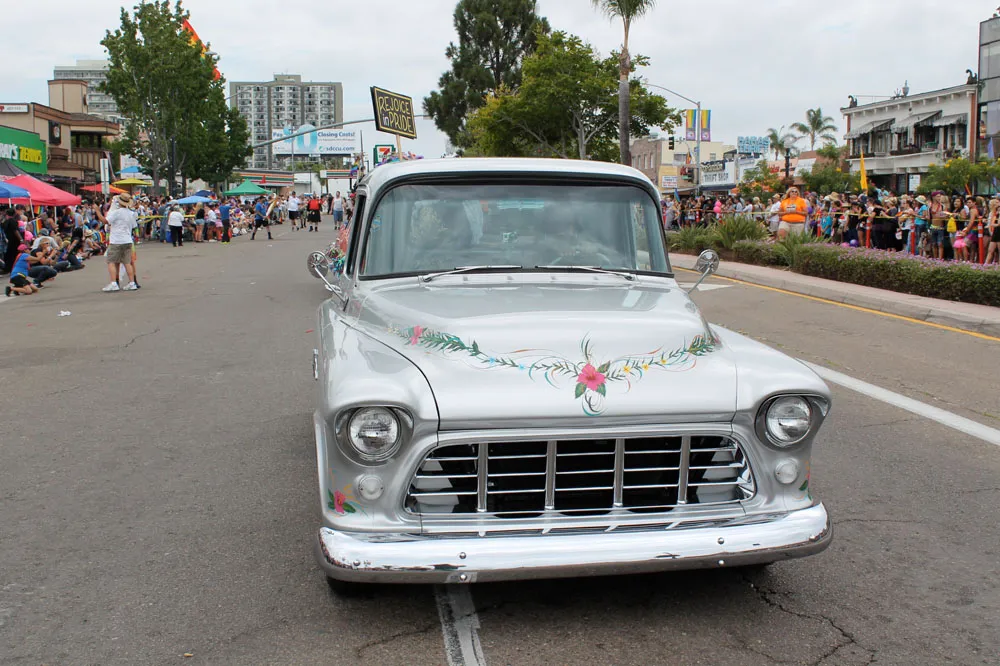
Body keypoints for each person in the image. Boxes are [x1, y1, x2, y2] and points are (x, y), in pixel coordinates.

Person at [101, 193, 139, 292]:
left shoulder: (116, 212)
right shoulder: (131, 213)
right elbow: (134, 226)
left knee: (111, 261)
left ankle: (114, 283)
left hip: (116, 240)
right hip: (127, 240)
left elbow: (105, 221)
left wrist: (97, 211)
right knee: (127, 262)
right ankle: (132, 283)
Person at [2, 207, 22, 275]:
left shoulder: (5, 221)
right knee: (13, 255)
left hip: (7, 240)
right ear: (14, 214)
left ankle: (7, 268)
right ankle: (12, 269)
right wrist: (21, 239)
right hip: (14, 241)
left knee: (8, 255)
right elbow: (15, 231)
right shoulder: (13, 221)